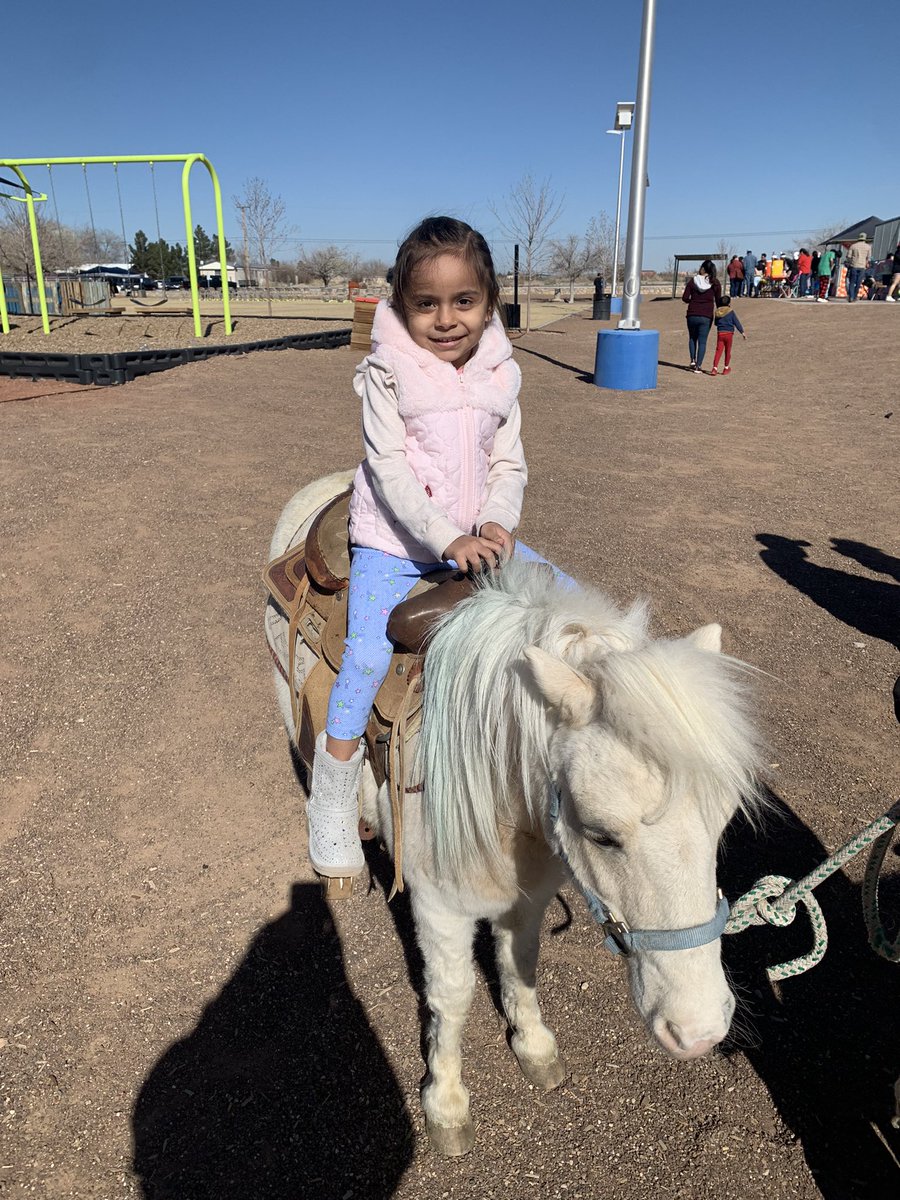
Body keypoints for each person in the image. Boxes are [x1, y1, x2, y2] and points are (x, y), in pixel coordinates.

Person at [305, 215, 529, 881]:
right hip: (396, 541)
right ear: (401, 305)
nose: (446, 319)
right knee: (370, 653)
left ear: (489, 301)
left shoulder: (502, 375)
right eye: (425, 303)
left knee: (558, 607)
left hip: (472, 540)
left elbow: (508, 464)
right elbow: (389, 470)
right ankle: (334, 792)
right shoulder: (387, 373)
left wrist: (497, 522)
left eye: (464, 301)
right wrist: (446, 537)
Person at [681, 259, 722, 372]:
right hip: (706, 315)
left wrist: (693, 301)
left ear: (703, 268)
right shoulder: (715, 283)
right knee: (702, 341)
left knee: (692, 338)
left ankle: (692, 360)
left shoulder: (692, 281)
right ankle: (698, 366)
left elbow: (684, 297)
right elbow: (718, 302)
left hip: (692, 314)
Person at [711, 295, 747, 375]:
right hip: (729, 333)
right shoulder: (730, 311)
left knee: (718, 351)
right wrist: (742, 332)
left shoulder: (717, 311)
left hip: (720, 333)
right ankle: (726, 368)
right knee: (727, 351)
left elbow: (716, 323)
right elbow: (736, 322)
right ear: (729, 303)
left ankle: (714, 368)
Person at [845, 232, 871, 302]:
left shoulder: (853, 246)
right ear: (865, 238)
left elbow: (848, 256)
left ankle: (851, 296)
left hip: (854, 265)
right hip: (862, 266)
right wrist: (866, 263)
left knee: (852, 282)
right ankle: (855, 296)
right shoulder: (868, 247)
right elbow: (868, 258)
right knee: (858, 282)